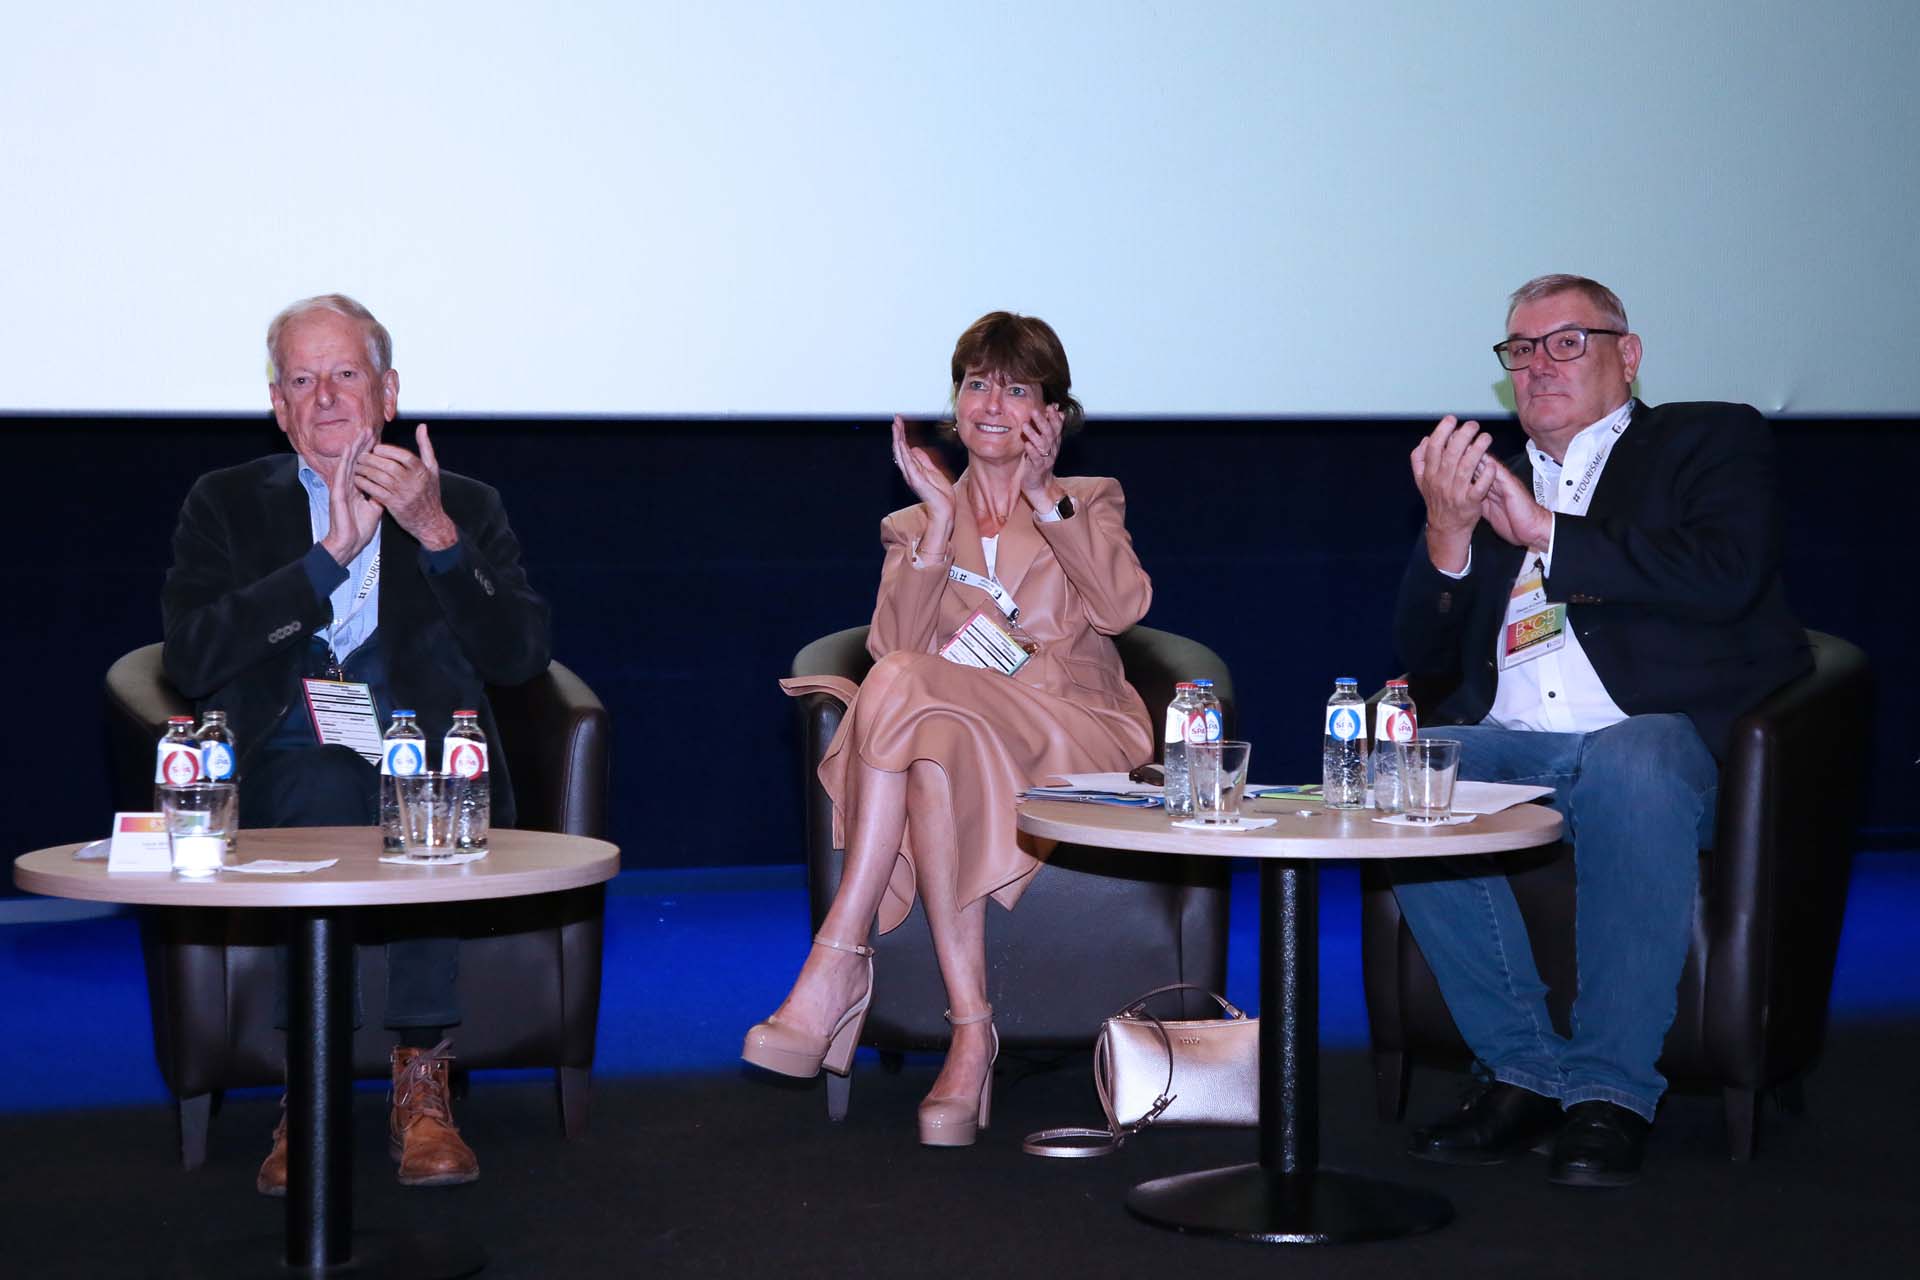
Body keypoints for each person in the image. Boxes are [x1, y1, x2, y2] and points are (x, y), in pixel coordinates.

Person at [1388, 274, 1809, 1186]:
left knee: (1634, 760)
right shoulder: (1483, 480)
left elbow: (1725, 575)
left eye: (1566, 342)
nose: (1539, 364)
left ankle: (1612, 1092)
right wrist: (1448, 535)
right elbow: (1422, 658)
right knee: (1406, 772)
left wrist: (1546, 530)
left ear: (1630, 353)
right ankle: (1526, 1069)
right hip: (1514, 743)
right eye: (1521, 349)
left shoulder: (1708, 439)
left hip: (1660, 740)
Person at [161, 294, 552, 1194]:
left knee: (411, 803)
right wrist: (326, 559)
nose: (326, 396)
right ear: (277, 403)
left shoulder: (465, 505)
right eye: (303, 379)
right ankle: (311, 1091)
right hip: (278, 760)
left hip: (429, 768)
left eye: (346, 374)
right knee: (325, 786)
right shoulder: (226, 504)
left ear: (388, 392)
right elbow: (192, 656)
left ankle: (422, 1081)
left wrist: (436, 535)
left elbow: (520, 654)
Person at [745, 312, 1154, 1146]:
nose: (992, 403)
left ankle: (837, 958)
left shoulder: (1090, 499)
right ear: (954, 401)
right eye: (976, 383)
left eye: (1016, 387)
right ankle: (972, 1036)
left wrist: (1048, 501)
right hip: (959, 737)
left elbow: (1123, 609)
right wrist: (935, 527)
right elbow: (893, 648)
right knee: (925, 738)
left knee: (905, 695)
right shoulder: (911, 523)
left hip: (1073, 727)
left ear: (1052, 413)